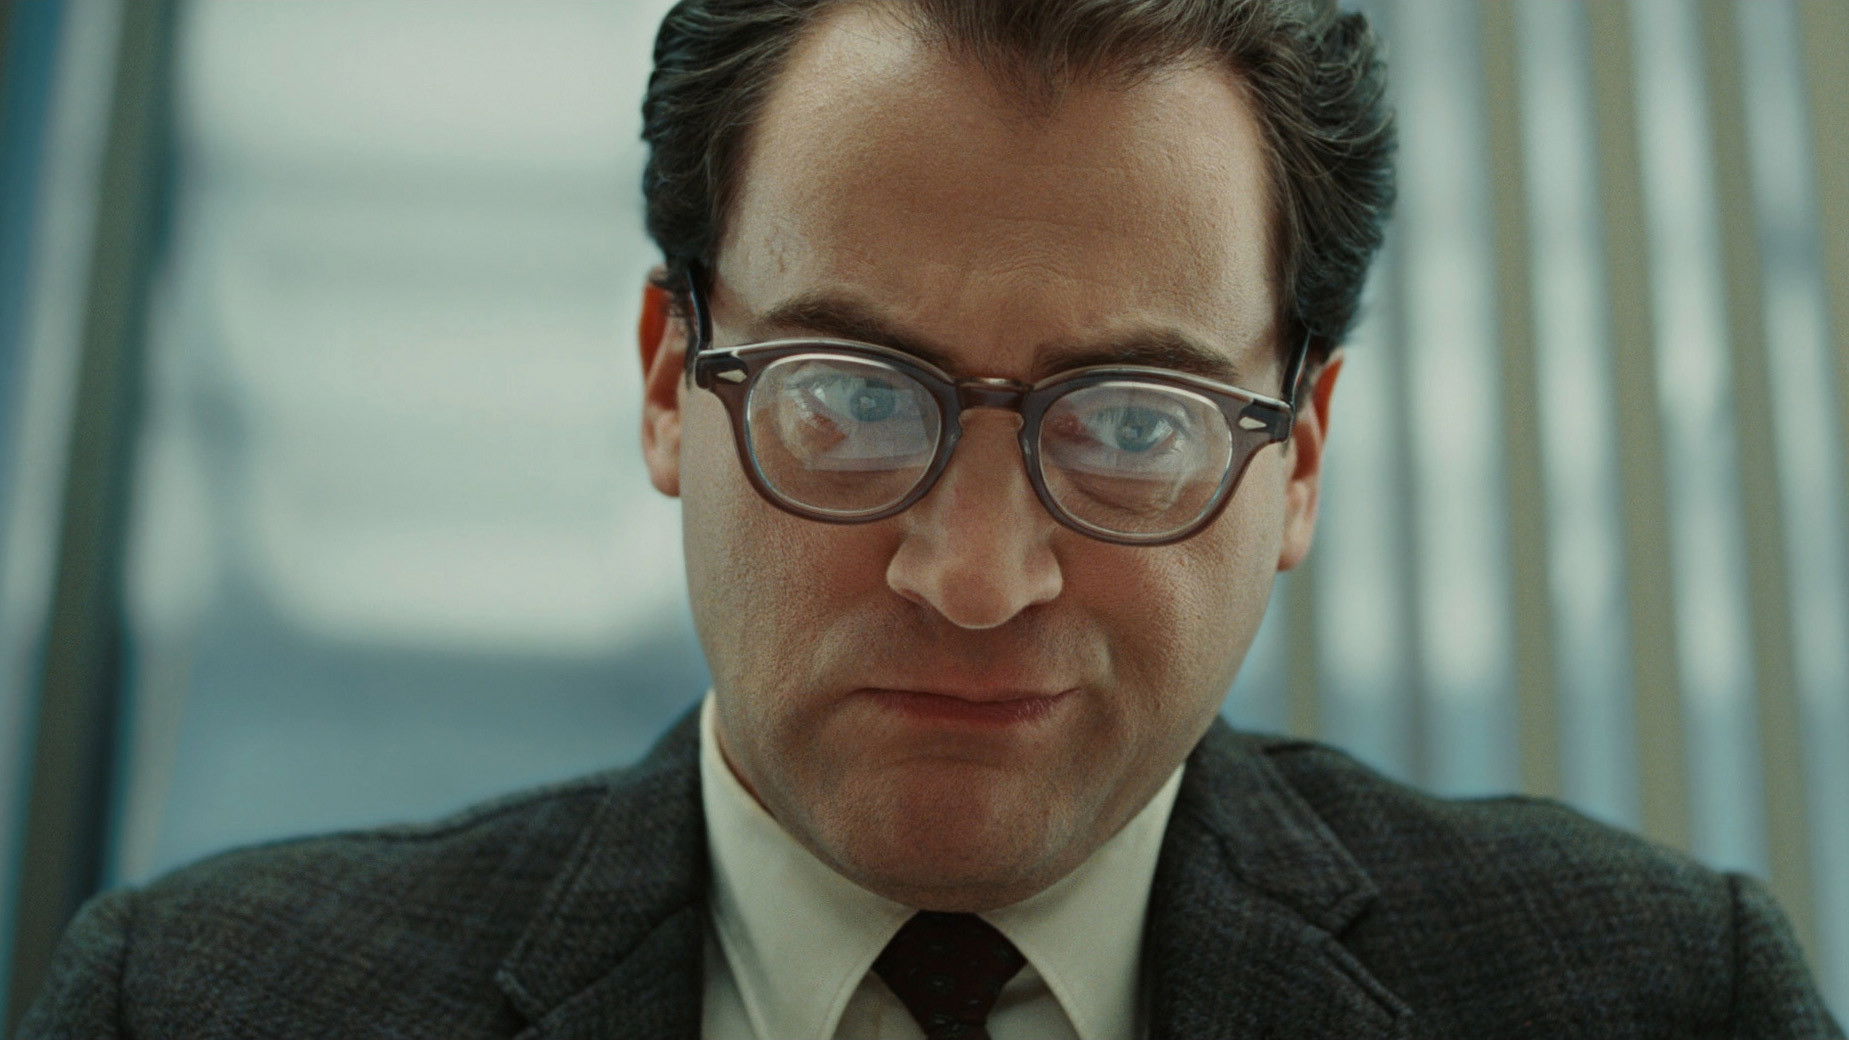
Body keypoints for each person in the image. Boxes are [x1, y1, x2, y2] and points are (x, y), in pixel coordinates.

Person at [19, 0, 1843, 1037]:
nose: (974, 576)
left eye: (1132, 425)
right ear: (667, 381)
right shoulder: (195, 1008)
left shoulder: (1659, 1003)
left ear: (1297, 460)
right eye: (850, 399)